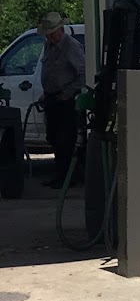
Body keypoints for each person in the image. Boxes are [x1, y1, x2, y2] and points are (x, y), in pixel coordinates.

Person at [38, 11, 85, 189]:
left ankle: (67, 178)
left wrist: (68, 92)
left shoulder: (71, 46)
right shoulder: (48, 45)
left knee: (65, 140)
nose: (50, 37)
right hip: (52, 98)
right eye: (48, 34)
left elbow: (83, 73)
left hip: (65, 100)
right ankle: (59, 175)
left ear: (61, 30)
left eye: (52, 33)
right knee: (54, 137)